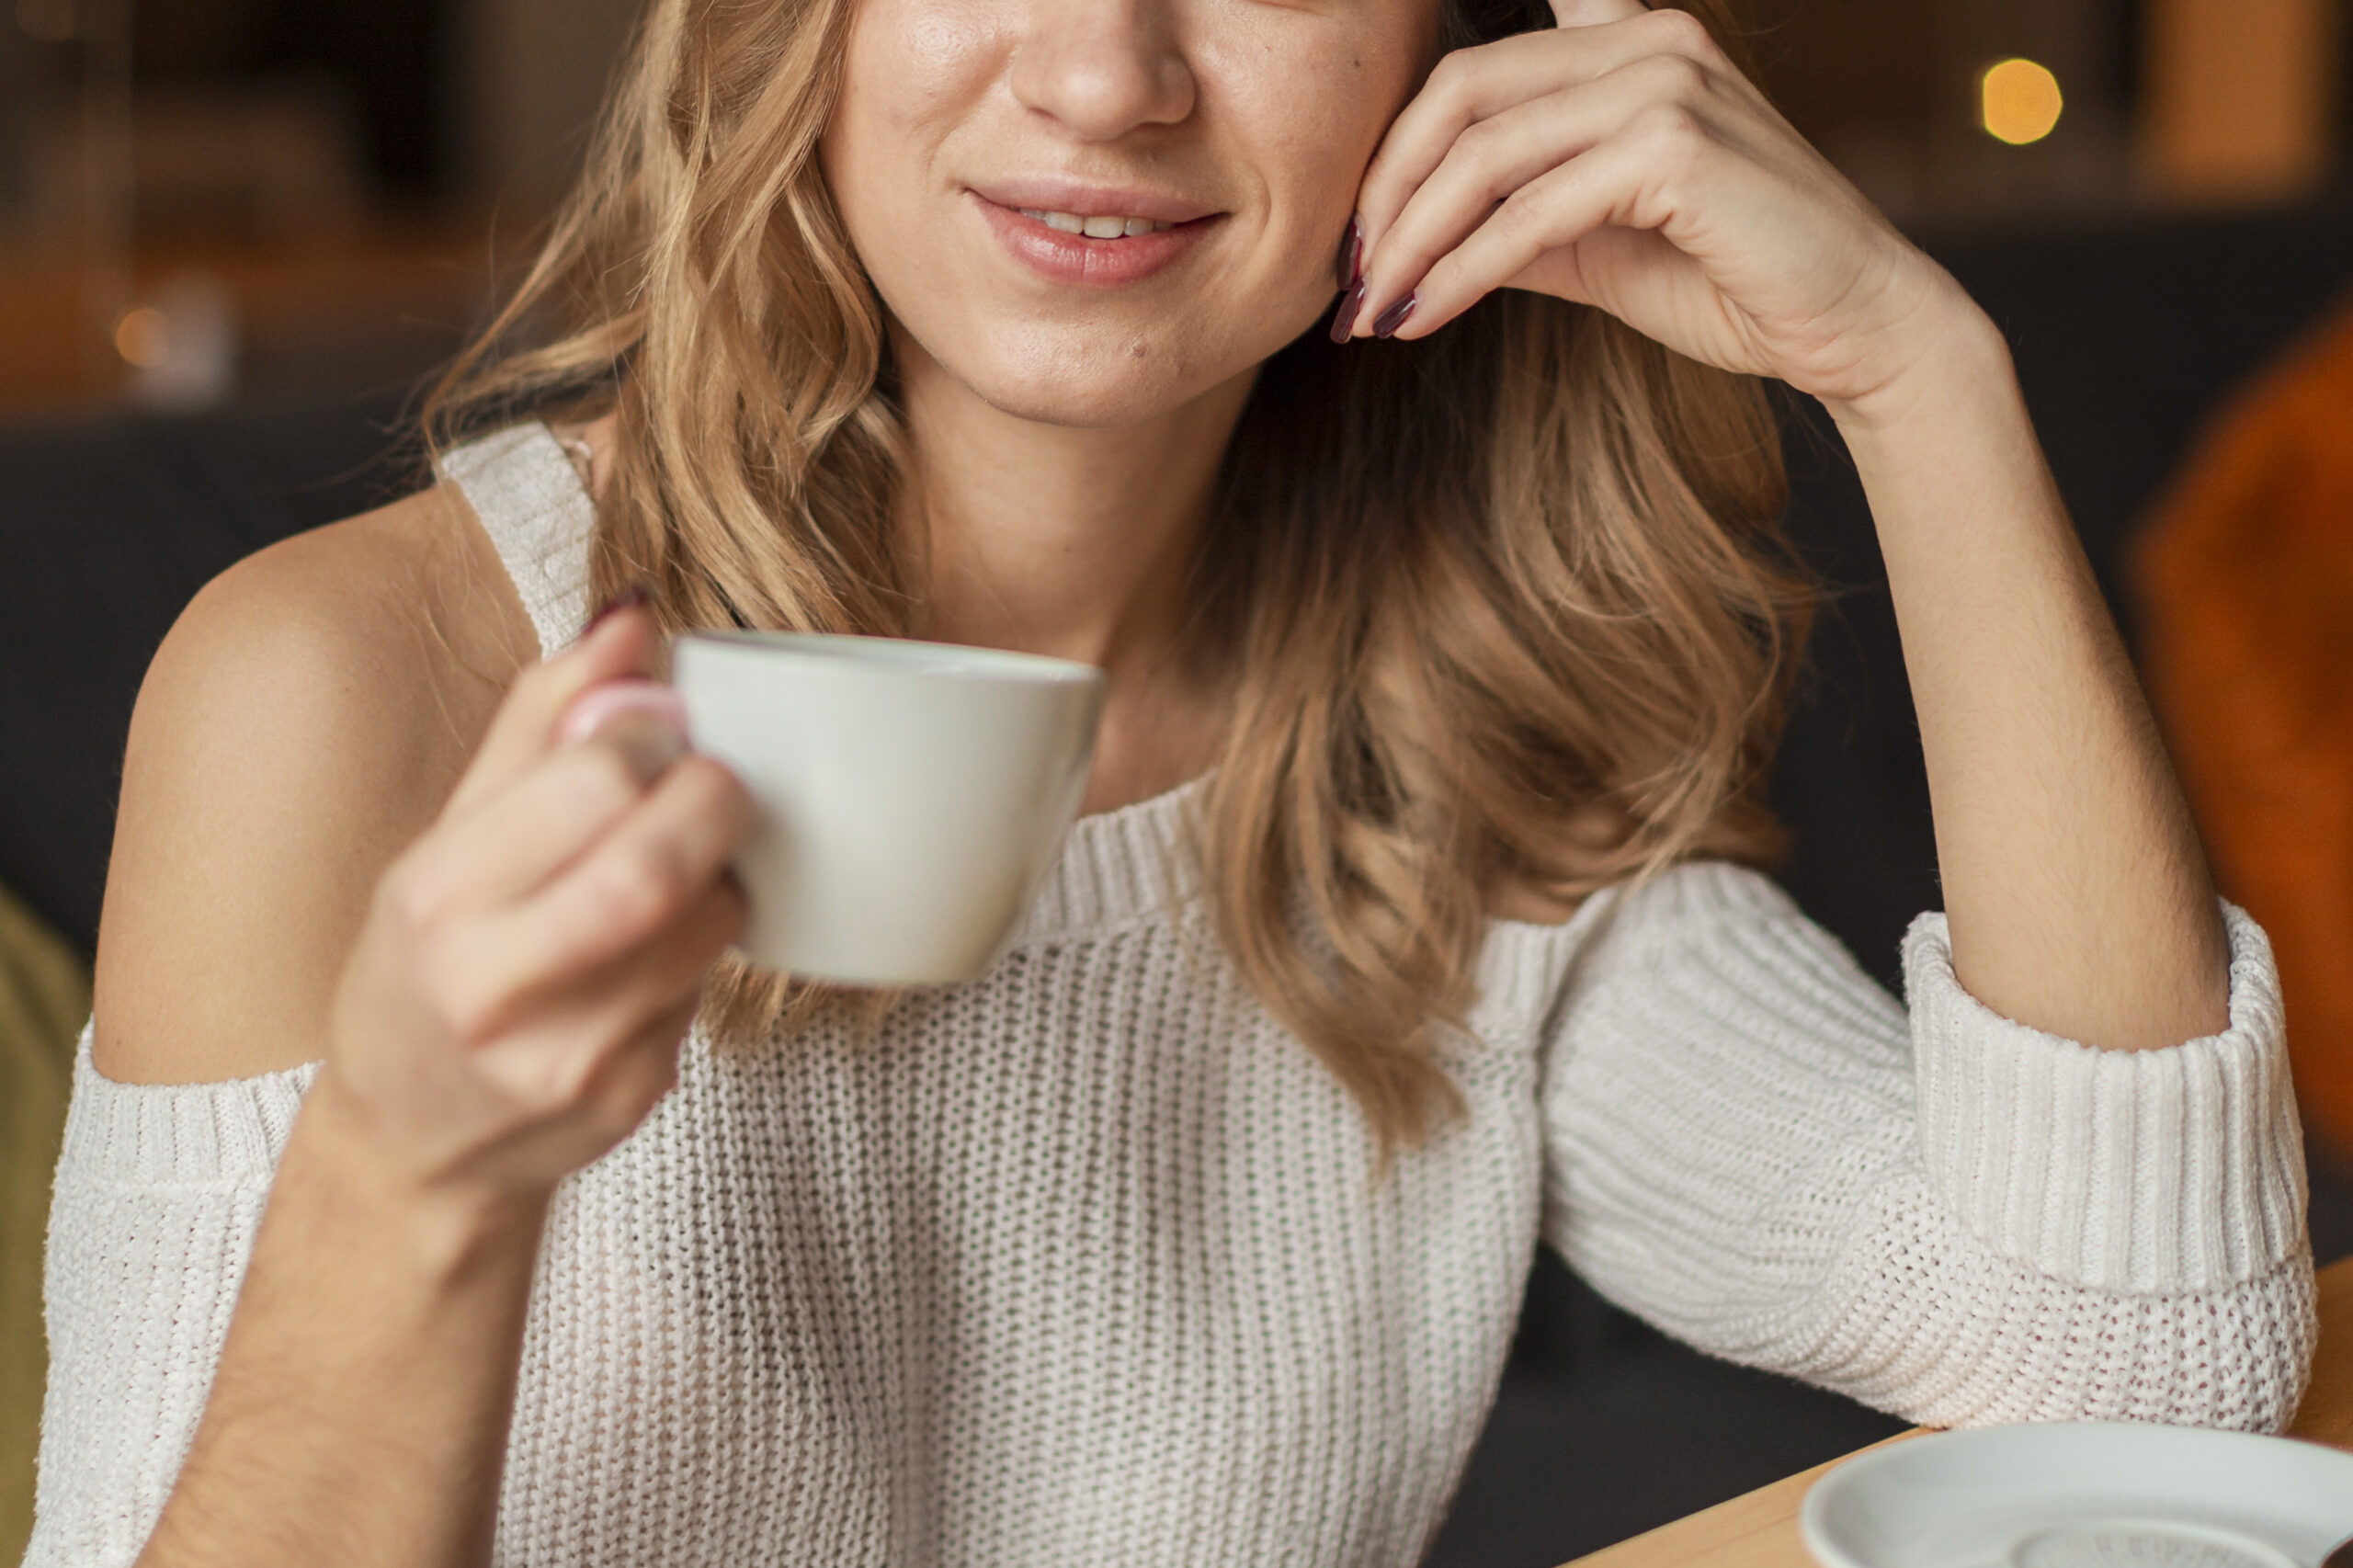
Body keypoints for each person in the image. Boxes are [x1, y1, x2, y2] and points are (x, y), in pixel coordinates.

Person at [29, 0, 2313, 1562]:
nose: (1107, 74)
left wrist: (1915, 374)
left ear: (1458, 54)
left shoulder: (1437, 770)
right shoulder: (356, 693)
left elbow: (2139, 1361)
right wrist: (416, 1169)